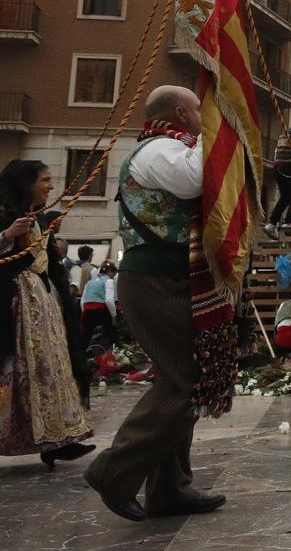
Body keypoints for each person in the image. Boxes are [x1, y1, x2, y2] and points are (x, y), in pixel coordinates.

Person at [82, 85, 227, 523]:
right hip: (154, 281)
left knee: (181, 379)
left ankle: (169, 488)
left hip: (170, 278)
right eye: (201, 111)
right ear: (181, 113)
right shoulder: (157, 150)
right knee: (184, 383)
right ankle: (113, 472)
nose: (205, 118)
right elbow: (197, 179)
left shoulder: (173, 147)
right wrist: (221, 133)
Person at [0, 160, 95, 483]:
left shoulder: (39, 219)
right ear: (26, 184)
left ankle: (56, 438)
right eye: (45, 180)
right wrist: (8, 235)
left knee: (45, 371)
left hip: (39, 304)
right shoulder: (0, 215)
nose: (51, 186)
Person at [81, 259, 120, 356]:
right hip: (101, 311)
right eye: (113, 274)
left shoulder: (90, 282)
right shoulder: (109, 281)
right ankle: (114, 356)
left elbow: (82, 300)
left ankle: (85, 360)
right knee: (112, 335)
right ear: (110, 272)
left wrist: (84, 312)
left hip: (87, 311)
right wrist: (114, 317)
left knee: (86, 338)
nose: (113, 276)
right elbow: (109, 300)